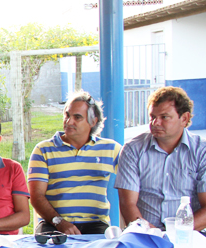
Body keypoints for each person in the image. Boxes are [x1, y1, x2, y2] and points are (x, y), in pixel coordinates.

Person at [28, 91, 121, 235]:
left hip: (96, 224)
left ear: (93, 121)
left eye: (77, 117)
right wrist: (60, 222)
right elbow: (36, 195)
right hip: (53, 222)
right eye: (67, 115)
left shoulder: (111, 149)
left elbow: (132, 184)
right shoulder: (43, 150)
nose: (69, 121)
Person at [115, 86, 206, 231]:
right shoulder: (133, 149)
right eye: (152, 117)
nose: (155, 123)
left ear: (184, 118)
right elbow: (127, 204)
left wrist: (176, 234)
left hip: (191, 235)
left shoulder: (202, 151)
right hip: (145, 235)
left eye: (164, 117)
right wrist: (153, 235)